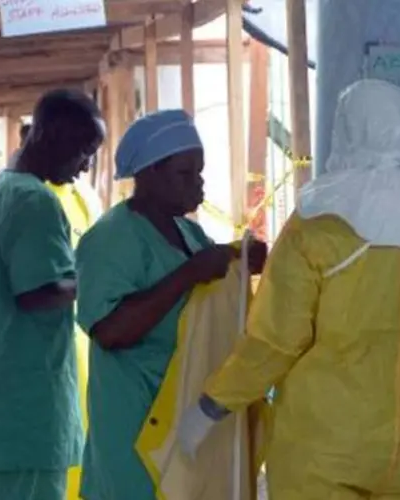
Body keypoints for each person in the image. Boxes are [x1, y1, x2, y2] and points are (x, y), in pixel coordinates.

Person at [176, 79, 400, 500]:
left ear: (348, 131)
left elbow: (275, 342)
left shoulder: (318, 223)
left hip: (323, 455)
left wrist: (212, 406)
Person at [74, 108, 267, 499]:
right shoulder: (110, 239)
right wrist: (188, 274)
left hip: (187, 424)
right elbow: (110, 331)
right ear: (148, 175)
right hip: (136, 425)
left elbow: (210, 289)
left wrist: (239, 259)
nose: (198, 185)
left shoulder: (189, 232)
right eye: (185, 174)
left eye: (200, 173)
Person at [0, 88, 103, 500]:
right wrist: (105, 278)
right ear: (53, 134)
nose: (86, 165)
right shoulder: (34, 201)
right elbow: (39, 293)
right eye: (85, 149)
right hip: (29, 414)